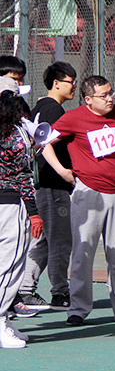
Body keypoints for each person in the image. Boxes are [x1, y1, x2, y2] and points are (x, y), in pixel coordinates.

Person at [42, 75, 115, 326]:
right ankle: (78, 309)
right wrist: (62, 170)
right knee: (83, 252)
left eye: (110, 92)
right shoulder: (73, 118)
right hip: (88, 194)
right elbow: (44, 142)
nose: (110, 98)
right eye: (103, 95)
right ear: (88, 99)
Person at [18, 62, 77, 312]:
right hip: (50, 184)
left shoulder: (40, 107)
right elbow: (45, 145)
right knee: (60, 239)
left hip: (41, 184)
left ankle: (25, 289)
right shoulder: (53, 109)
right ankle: (60, 292)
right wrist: (63, 171)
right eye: (70, 81)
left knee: (41, 240)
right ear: (56, 83)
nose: (74, 85)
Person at [0, 84, 43, 348]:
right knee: (10, 266)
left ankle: (4, 320)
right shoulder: (17, 135)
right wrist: (34, 213)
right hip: (10, 205)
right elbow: (23, 177)